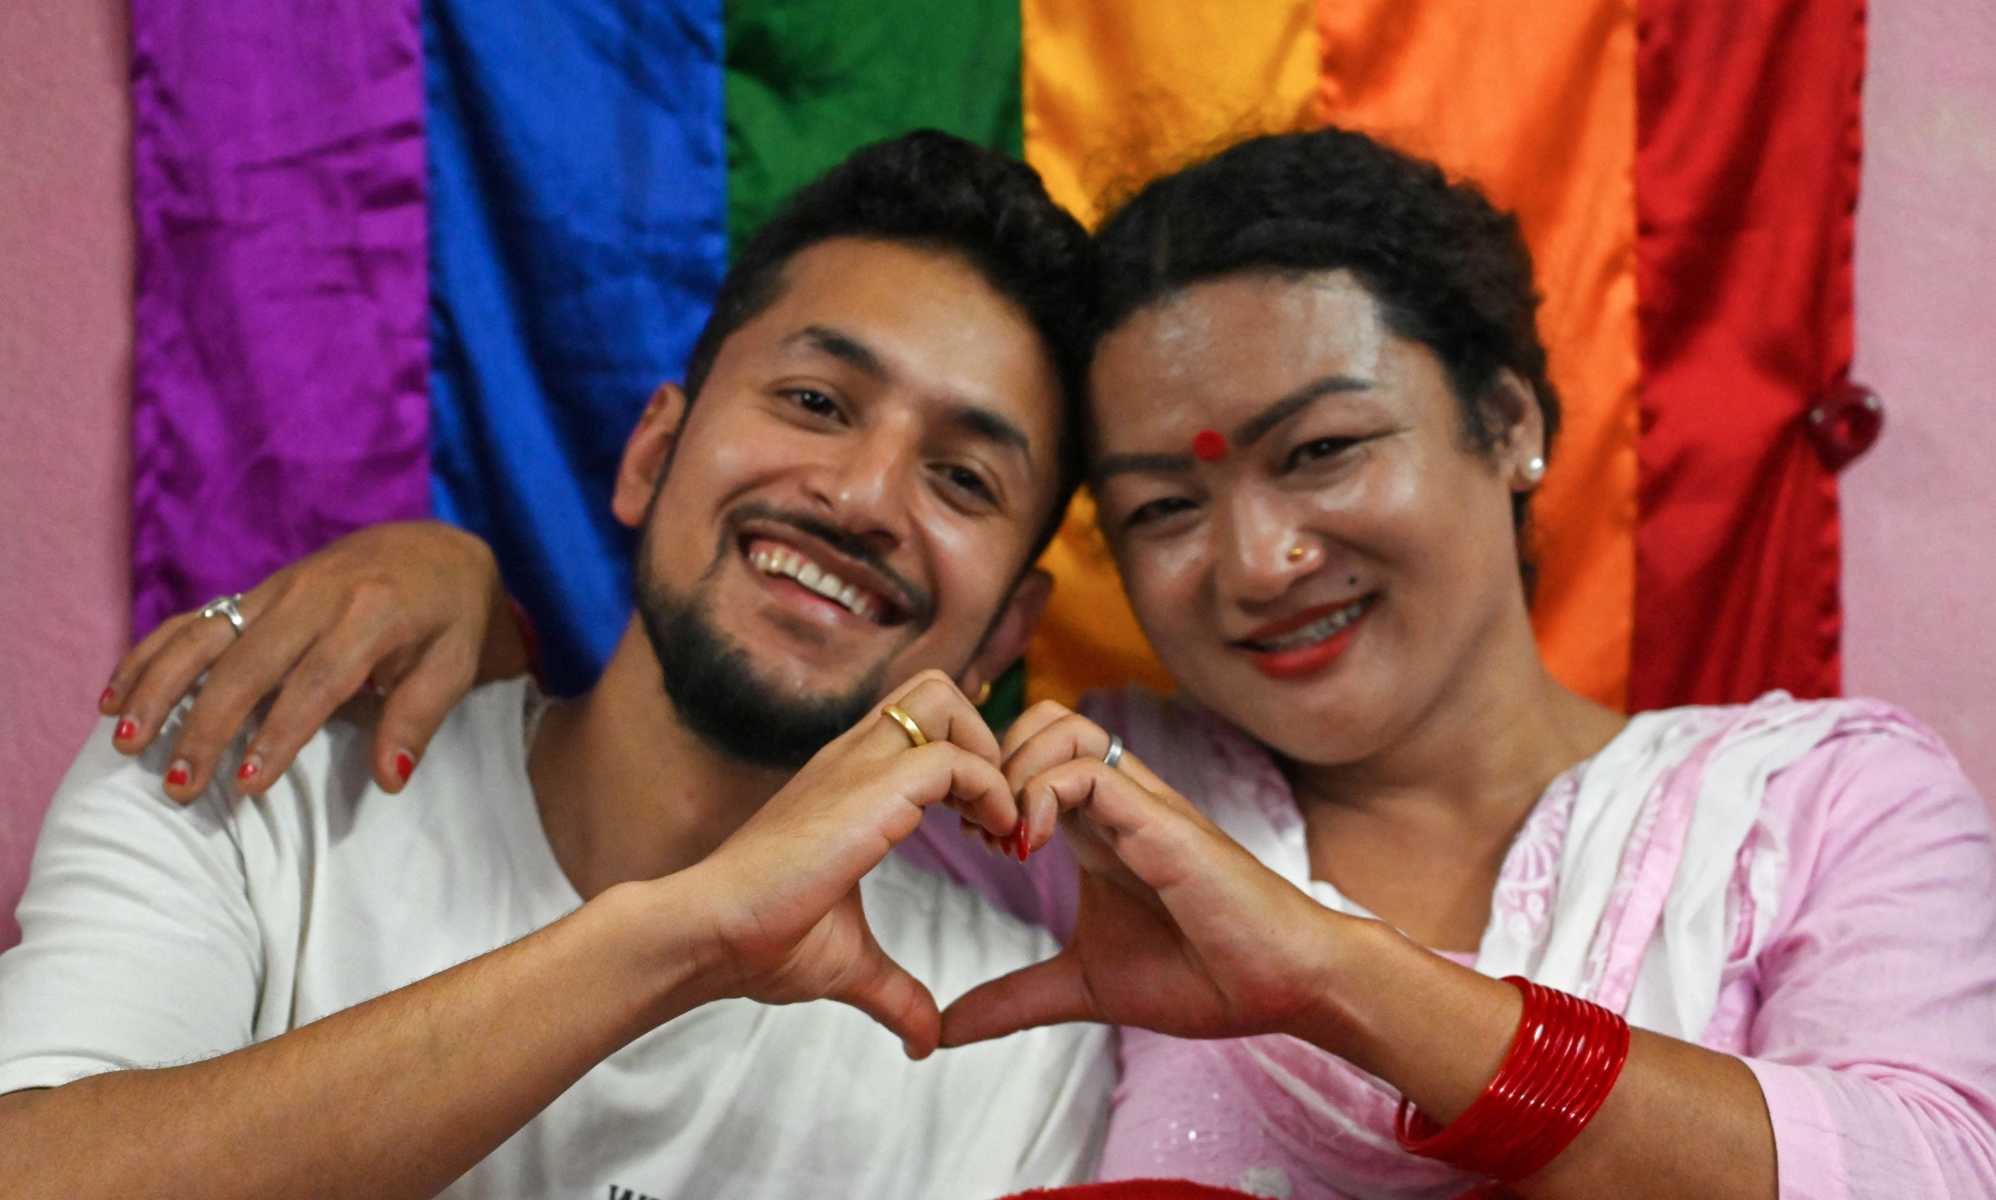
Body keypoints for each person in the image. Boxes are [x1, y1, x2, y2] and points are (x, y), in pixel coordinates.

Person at [82, 128, 1996, 1199]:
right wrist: (452, 576)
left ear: (1509, 420)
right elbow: (702, 763)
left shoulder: (1823, 801)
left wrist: (1341, 982)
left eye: (1324, 450)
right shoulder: (1057, 816)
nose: (1257, 557)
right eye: (1162, 502)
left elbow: (1928, 1170)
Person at [0, 131, 1118, 1199]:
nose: (864, 498)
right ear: (650, 453)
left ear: (1004, 638)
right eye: (815, 402)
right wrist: (682, 937)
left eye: (964, 479)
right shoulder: (252, 760)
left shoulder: (1008, 1035)